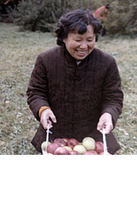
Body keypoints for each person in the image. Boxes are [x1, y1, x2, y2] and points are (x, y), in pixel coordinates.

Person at [27, 9, 123, 154]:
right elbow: (35, 92)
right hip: (56, 138)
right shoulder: (46, 60)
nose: (84, 46)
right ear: (63, 37)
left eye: (90, 40)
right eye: (78, 40)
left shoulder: (107, 62)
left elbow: (114, 97)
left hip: (94, 139)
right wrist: (43, 109)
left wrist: (108, 114)